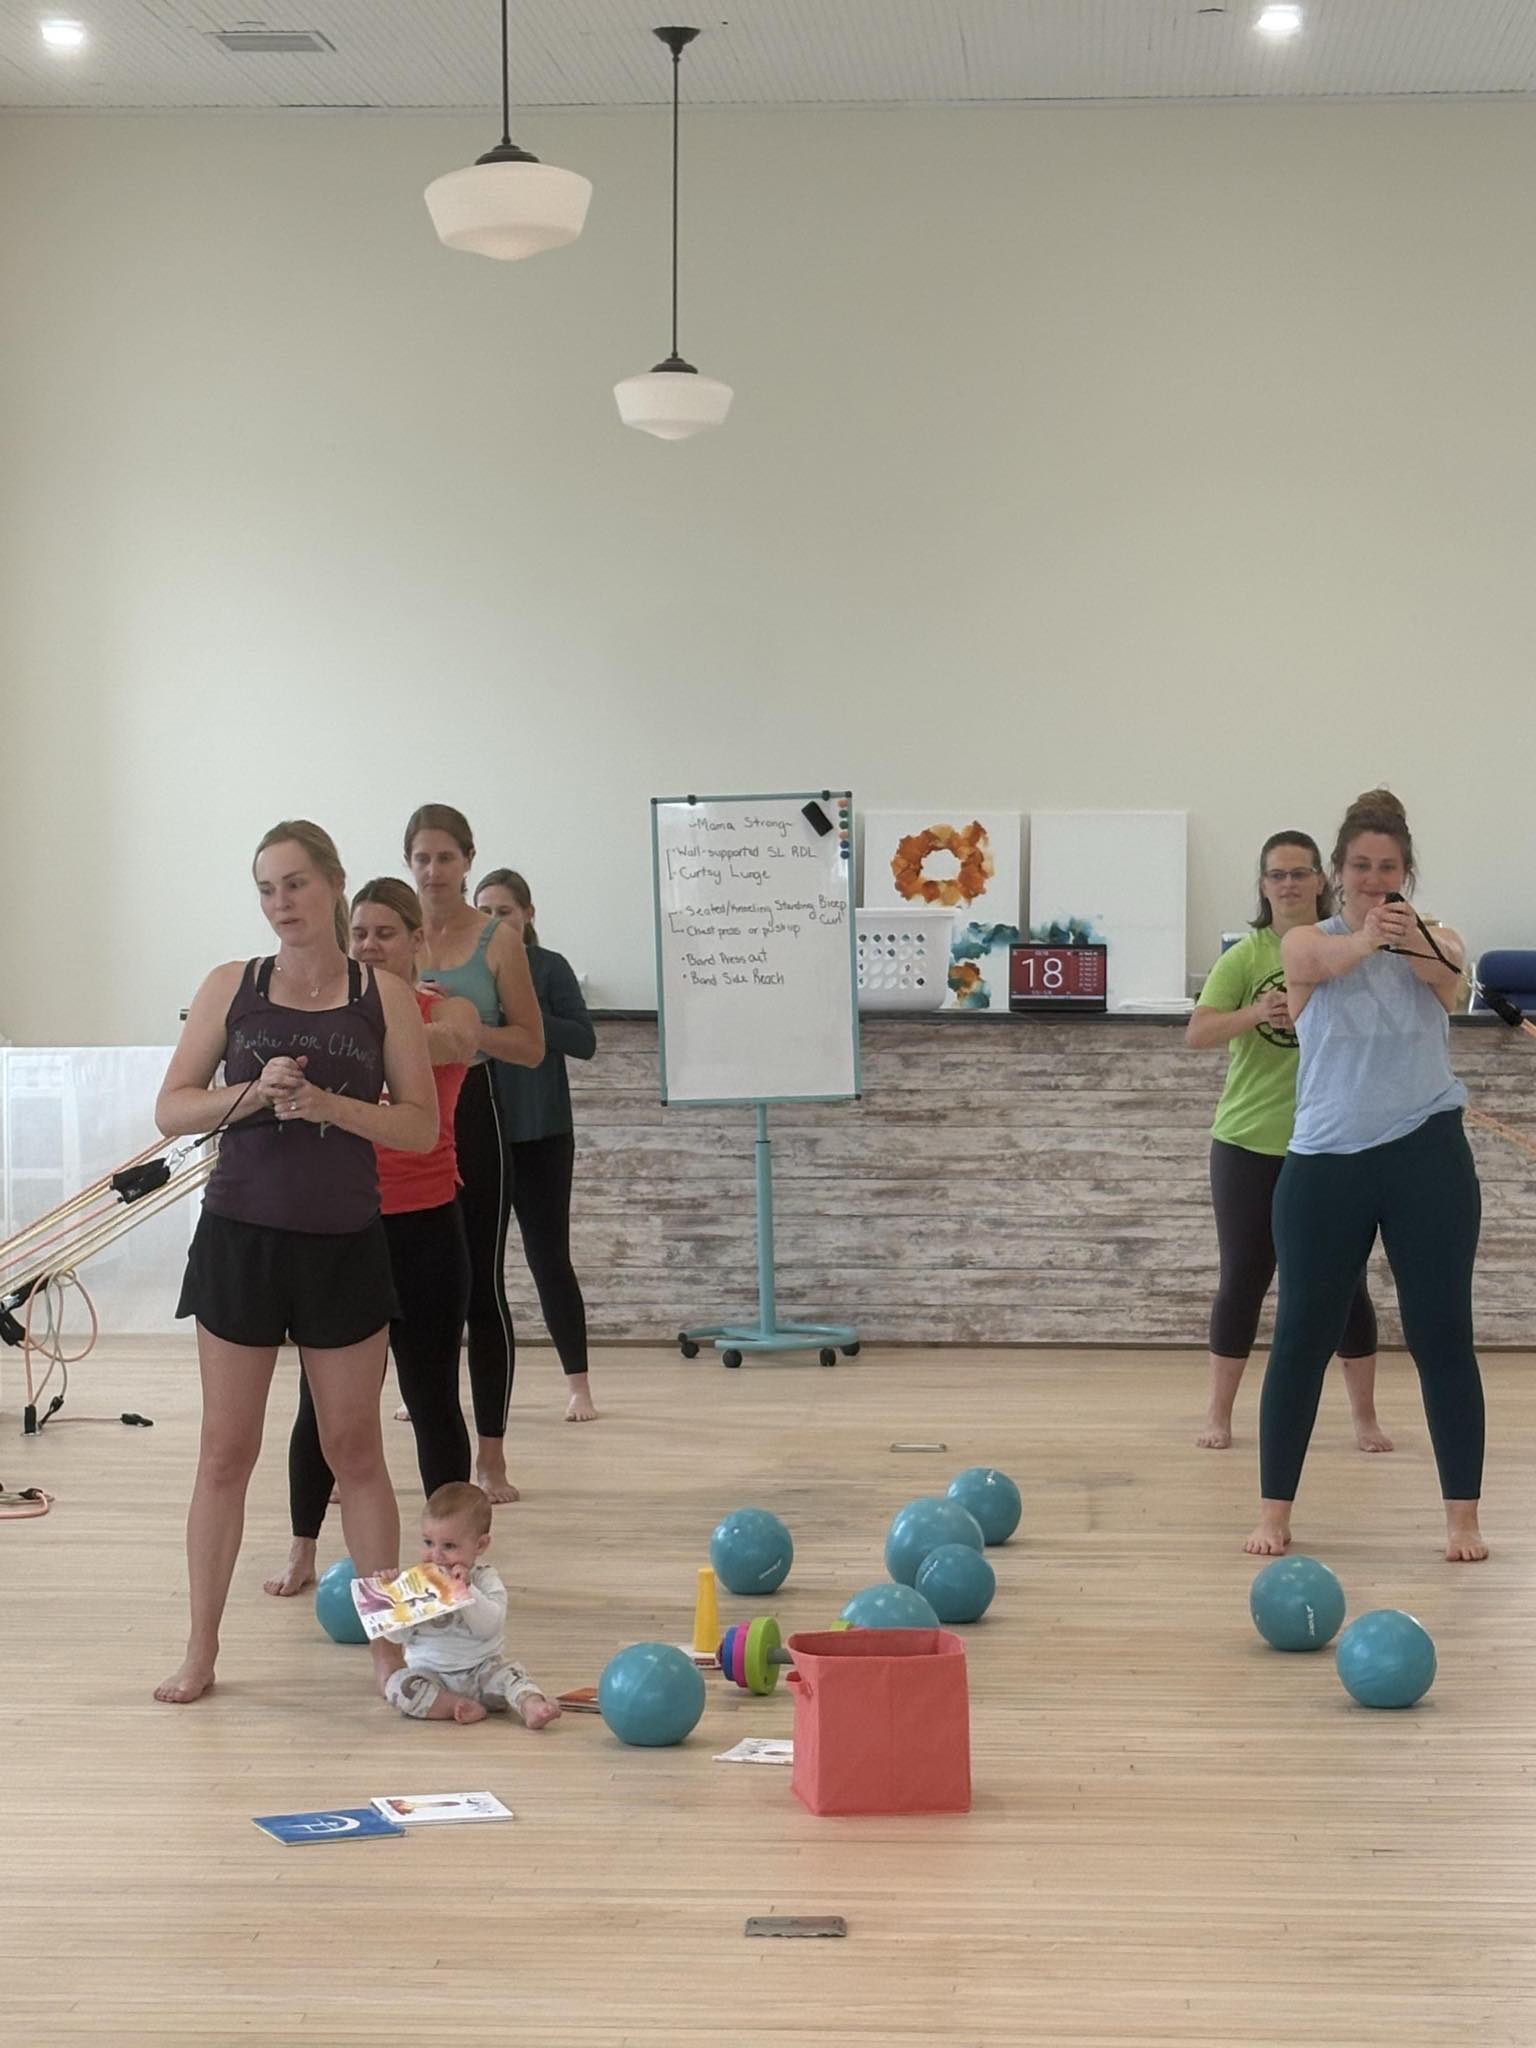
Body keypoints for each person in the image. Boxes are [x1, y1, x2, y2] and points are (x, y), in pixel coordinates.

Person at [154, 821, 438, 1704]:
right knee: (223, 1453)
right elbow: (173, 1109)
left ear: (334, 886)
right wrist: (252, 1096)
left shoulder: (381, 994)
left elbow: (422, 1125)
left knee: (356, 1449)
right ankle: (201, 1651)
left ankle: (388, 1652)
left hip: (344, 1243)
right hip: (241, 1238)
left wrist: (329, 1104)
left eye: (296, 886)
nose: (282, 905)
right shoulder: (230, 987)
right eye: (267, 890)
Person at [1245, 789, 1486, 1563]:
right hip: (1324, 1164)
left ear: (1405, 872)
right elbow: (1329, 962)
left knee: (1443, 1333)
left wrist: (1408, 935)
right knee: (1301, 1338)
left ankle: (1462, 1520)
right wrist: (1369, 938)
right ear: (1333, 875)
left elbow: (1447, 978)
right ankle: (1274, 1512)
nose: (1373, 879)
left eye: (1388, 868)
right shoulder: (1304, 942)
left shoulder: (1437, 938)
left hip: (1426, 1154)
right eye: (1359, 867)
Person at [264, 879, 480, 1599]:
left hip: (425, 1227)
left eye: (386, 933)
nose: (369, 946)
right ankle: (300, 1548)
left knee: (431, 1394)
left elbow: (456, 1039)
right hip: (346, 1228)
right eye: (358, 933)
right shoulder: (330, 1012)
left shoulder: (445, 1007)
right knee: (320, 1408)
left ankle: (454, 1563)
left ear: (417, 941)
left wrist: (369, 1022)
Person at [1188, 832, 1388, 1453]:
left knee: (1345, 1285)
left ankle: (1364, 1420)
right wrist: (1257, 1012)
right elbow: (1198, 1033)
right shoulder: (1245, 957)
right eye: (1277, 875)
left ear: (1321, 881)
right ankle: (1219, 1415)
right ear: (1264, 885)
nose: (1289, 885)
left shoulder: (1347, 948)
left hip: (1331, 1143)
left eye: (1301, 873)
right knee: (1243, 1279)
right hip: (1248, 1142)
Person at [407, 805, 545, 1504]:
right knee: (388, 1286)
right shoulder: (390, 934)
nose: (433, 872)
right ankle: (354, 1449)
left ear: (466, 861)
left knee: (482, 1288)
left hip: (472, 1115)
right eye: (422, 859)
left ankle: (490, 1457)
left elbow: (531, 1044)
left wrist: (464, 1033)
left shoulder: (497, 940)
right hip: (400, 1120)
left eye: (445, 858)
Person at [474, 868, 599, 1422]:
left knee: (551, 1261)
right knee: (473, 1267)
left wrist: (525, 1016)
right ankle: (430, 1389)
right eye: (484, 912)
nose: (493, 921)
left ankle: (579, 1386)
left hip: (545, 1134)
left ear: (527, 914)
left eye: (503, 911)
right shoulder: (470, 973)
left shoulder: (550, 968)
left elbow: (584, 1040)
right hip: (481, 1136)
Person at [382, 1481, 561, 1727]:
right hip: (431, 1675)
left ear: (480, 1545)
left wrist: (465, 1591)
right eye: (428, 1543)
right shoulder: (417, 1583)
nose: (436, 1556)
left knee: (511, 1674)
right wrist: (393, 1600)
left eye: (449, 1546)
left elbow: (488, 1627)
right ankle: (453, 1705)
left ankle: (532, 1706)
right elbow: (396, 1637)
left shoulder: (485, 1580)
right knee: (398, 1686)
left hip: (482, 1671)